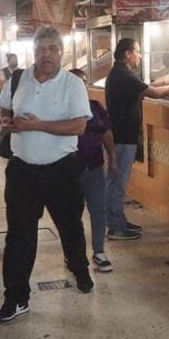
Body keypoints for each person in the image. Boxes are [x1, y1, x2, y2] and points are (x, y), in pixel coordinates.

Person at [0, 26, 93, 324]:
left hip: (62, 170)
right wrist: (4, 119)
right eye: (40, 49)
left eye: (51, 49)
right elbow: (2, 108)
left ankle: (79, 267)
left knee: (70, 226)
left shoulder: (73, 84)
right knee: (19, 235)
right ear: (33, 52)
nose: (45, 55)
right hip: (23, 171)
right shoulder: (17, 79)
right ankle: (16, 296)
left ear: (61, 52)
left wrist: (37, 125)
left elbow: (78, 126)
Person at [103, 38, 169, 241]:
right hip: (122, 138)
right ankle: (115, 227)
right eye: (137, 52)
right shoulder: (123, 75)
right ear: (128, 54)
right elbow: (153, 93)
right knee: (117, 183)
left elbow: (145, 86)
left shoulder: (121, 74)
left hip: (122, 136)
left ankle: (118, 220)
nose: (140, 56)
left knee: (116, 181)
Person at [70, 68, 115, 273]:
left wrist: (112, 157)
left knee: (98, 210)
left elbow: (106, 133)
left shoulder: (96, 107)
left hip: (95, 167)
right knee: (72, 214)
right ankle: (73, 253)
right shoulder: (61, 110)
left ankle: (99, 251)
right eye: (75, 83)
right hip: (69, 171)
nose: (80, 87)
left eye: (83, 83)